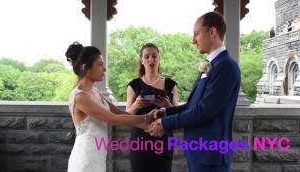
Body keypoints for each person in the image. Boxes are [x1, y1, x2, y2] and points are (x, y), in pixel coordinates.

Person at [147, 12, 241, 172]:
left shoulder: (226, 66)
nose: (193, 40)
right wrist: (165, 112)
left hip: (211, 155)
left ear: (212, 32)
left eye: (196, 33)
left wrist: (165, 124)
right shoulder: (211, 64)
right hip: (199, 152)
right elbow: (193, 105)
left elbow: (205, 111)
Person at [65, 42, 155, 172]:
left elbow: (118, 113)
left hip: (98, 156)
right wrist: (147, 117)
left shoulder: (94, 92)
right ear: (86, 68)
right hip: (85, 159)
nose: (105, 69)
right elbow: (113, 119)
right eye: (100, 64)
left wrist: (149, 125)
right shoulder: (80, 97)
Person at [126, 43, 179, 172]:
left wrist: (168, 106)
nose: (151, 59)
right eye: (147, 56)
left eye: (154, 56)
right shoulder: (134, 85)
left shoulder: (170, 85)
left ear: (159, 58)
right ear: (142, 60)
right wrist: (136, 105)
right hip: (140, 139)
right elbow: (127, 116)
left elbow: (178, 116)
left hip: (164, 138)